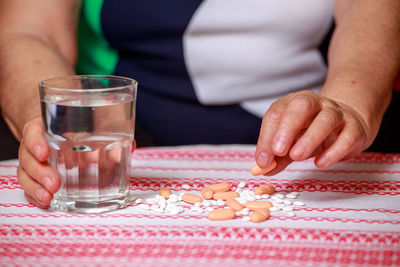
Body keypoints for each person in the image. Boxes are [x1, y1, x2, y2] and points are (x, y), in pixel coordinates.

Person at [0, 0, 399, 209]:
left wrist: (349, 101)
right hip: (125, 133)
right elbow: (30, 29)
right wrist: (47, 122)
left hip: (305, 137)